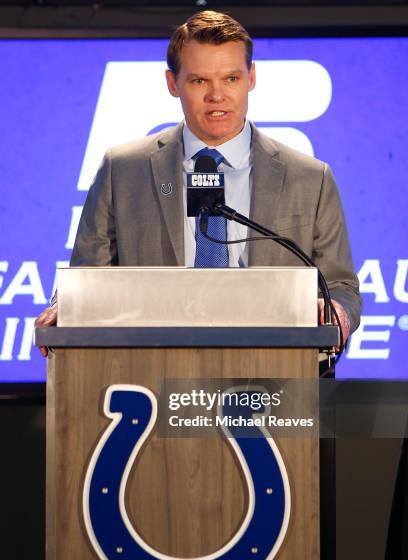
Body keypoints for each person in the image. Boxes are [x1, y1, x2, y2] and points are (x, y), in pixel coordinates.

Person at [35, 10, 361, 355]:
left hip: (271, 375)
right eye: (199, 81)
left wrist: (337, 311)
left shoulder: (309, 178)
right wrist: (65, 309)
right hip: (152, 373)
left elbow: (339, 285)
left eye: (231, 79)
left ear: (251, 78)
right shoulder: (123, 170)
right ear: (172, 83)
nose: (217, 96)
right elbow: (87, 278)